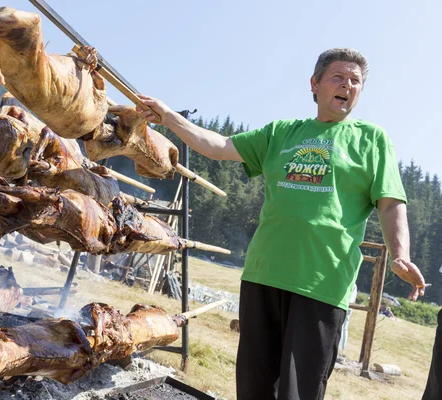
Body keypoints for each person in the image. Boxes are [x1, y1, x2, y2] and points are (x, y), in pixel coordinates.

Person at [137, 48, 426, 400]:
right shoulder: (282, 133)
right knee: (254, 388)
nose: (347, 86)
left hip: (322, 285)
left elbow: (391, 202)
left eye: (356, 81)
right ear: (315, 84)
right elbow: (219, 145)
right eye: (338, 77)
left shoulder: (372, 140)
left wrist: (400, 253)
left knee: (297, 392)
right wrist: (168, 117)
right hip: (263, 274)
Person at [338, 284, 358, 355]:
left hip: (346, 306)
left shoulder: (351, 284)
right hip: (349, 307)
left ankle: (341, 349)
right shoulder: (354, 285)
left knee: (343, 328)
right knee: (345, 328)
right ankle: (342, 348)